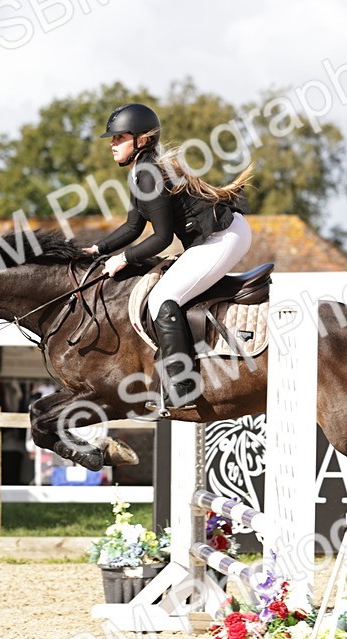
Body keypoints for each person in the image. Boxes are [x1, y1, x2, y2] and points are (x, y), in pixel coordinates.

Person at [82, 103, 253, 413]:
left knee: (162, 297)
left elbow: (162, 238)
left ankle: (182, 385)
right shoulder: (140, 172)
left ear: (142, 140)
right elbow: (133, 226)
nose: (112, 144)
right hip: (214, 236)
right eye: (113, 138)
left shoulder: (148, 174)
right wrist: (98, 249)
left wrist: (124, 258)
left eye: (119, 137)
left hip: (223, 237)